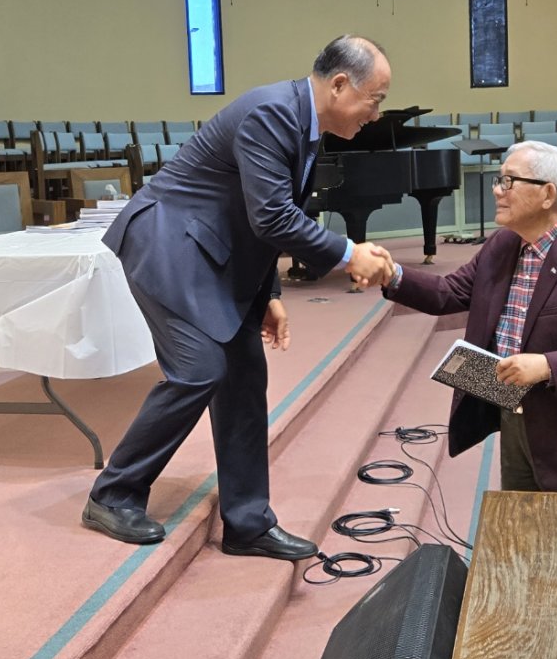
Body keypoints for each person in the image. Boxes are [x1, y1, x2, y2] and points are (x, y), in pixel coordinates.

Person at [83, 35, 394, 560]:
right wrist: (348, 254)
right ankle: (112, 495)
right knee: (199, 370)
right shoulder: (272, 113)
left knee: (245, 377)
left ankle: (248, 523)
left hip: (212, 254)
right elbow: (272, 216)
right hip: (169, 248)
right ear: (340, 85)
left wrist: (267, 293)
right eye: (375, 99)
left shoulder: (304, 123)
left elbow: (257, 218)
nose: (376, 114)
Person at [377, 140, 557, 493]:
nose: (497, 190)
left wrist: (546, 365)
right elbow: (448, 292)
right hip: (514, 418)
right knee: (517, 521)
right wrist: (391, 274)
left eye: (509, 181)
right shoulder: (501, 246)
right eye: (499, 180)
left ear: (547, 194)